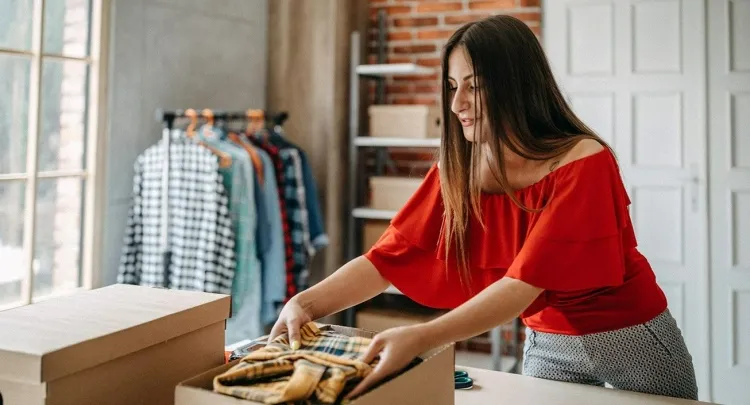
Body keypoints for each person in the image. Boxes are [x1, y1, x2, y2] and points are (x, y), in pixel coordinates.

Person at [269, 15, 698, 401]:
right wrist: (305, 304)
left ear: (517, 84)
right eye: (453, 87)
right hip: (548, 342)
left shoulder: (585, 160)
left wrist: (422, 337)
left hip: (632, 336)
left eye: (474, 86)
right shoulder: (460, 167)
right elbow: (388, 259)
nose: (456, 105)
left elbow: (521, 285)